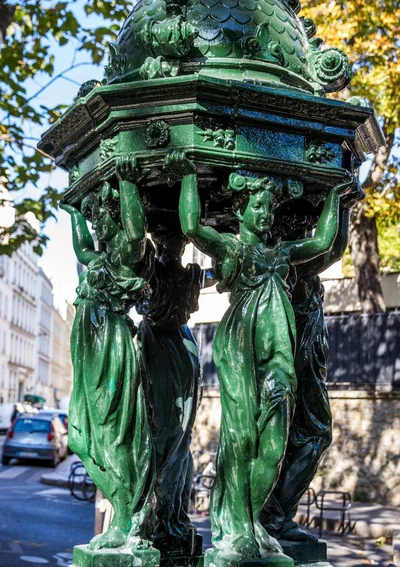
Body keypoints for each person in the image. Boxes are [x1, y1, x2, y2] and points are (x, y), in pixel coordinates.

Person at [172, 153, 359, 565]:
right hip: (243, 352)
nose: (265, 214)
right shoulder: (233, 251)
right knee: (243, 440)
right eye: (258, 206)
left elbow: (322, 243)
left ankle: (253, 518)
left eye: (268, 208)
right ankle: (241, 526)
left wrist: (335, 196)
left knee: (273, 443)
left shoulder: (280, 255)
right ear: (241, 209)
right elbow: (191, 226)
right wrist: (186, 173)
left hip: (278, 361)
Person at [61, 157, 155, 551]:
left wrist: (130, 185)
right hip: (89, 350)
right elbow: (82, 247)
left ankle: (125, 518)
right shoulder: (100, 256)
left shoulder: (124, 250)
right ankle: (125, 512)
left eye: (102, 214)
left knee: (112, 434)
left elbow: (135, 230)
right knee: (83, 437)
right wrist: (72, 211)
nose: (97, 222)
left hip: (110, 347)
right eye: (95, 215)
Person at [261, 195, 361, 542]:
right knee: (306, 435)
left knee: (310, 436)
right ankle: (273, 514)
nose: (309, 231)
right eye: (303, 227)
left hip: (310, 365)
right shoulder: (291, 261)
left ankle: (276, 513)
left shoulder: (301, 265)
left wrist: (346, 206)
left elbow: (334, 249)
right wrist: (341, 203)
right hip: (297, 365)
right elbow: (332, 249)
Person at [136, 227, 215, 555]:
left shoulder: (180, 273)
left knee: (174, 434)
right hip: (171, 346)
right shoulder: (156, 272)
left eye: (176, 242)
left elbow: (222, 271)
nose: (172, 246)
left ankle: (167, 514)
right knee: (164, 432)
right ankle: (161, 512)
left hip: (173, 348)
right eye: (167, 241)